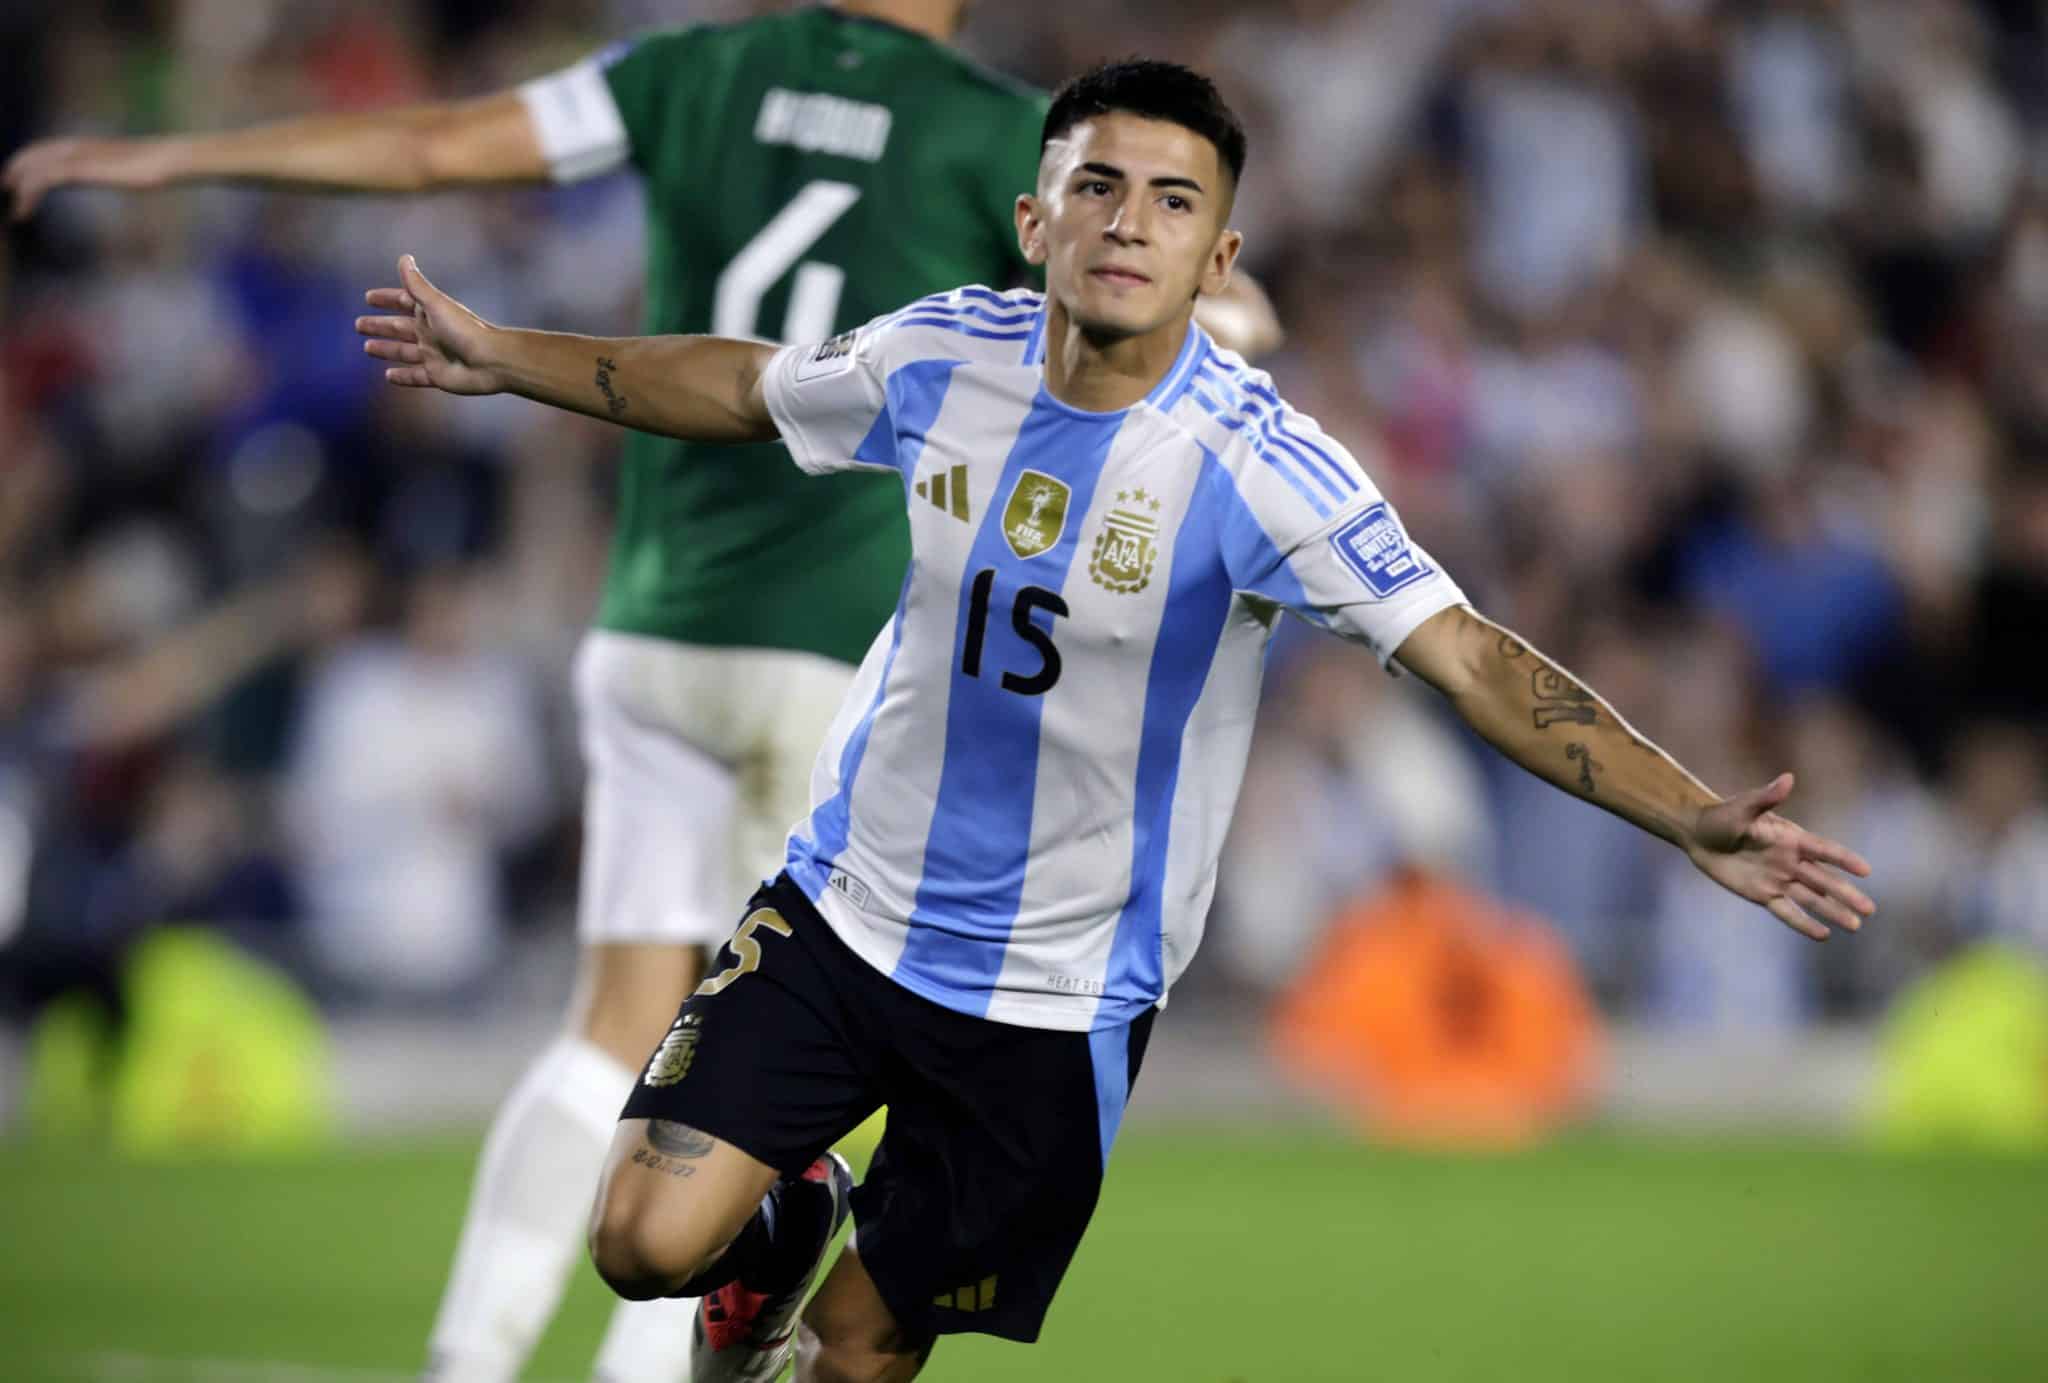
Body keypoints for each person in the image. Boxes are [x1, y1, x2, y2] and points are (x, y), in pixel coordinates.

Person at [355, 56, 1876, 1383]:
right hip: (847, 911)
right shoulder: (942, 353)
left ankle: (807, 1279)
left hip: (1056, 995)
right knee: (638, 1241)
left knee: (861, 1351)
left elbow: (1473, 660)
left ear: (1221, 255)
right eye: (1098, 186)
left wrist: (1689, 811)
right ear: (1037, 221)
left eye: (1171, 200)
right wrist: (505, 358)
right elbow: (749, 387)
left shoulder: (1260, 465)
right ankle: (783, 1225)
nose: (1129, 222)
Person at [8, 7, 1280, 1381]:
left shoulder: (697, 71)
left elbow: (436, 147)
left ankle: (468, 1358)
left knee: (614, 1030)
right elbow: (1190, 319)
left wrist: (169, 157)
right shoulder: (1001, 131)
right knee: (758, 1108)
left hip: (656, 620)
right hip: (831, 649)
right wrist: (1231, 310)